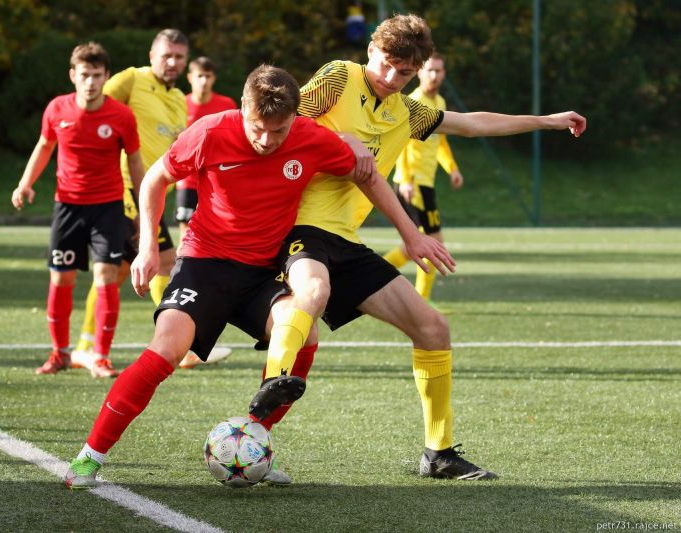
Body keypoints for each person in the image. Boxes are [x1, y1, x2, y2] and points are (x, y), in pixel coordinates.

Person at [248, 13, 586, 482]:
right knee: (312, 290)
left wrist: (547, 121)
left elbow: (470, 124)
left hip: (346, 239)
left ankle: (439, 453)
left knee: (432, 327)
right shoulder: (338, 77)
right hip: (296, 226)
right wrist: (338, 138)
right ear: (371, 51)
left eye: (404, 73)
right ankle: (273, 389)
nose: (392, 78)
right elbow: (279, 120)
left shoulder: (407, 112)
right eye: (387, 65)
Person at [63, 64, 370, 489]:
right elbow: (155, 179)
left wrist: (358, 148)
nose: (266, 140)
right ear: (243, 109)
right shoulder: (210, 131)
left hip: (262, 272)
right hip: (204, 265)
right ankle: (88, 458)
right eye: (258, 128)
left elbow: (363, 170)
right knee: (166, 349)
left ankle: (252, 441)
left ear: (295, 120)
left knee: (304, 334)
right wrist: (149, 247)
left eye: (278, 131)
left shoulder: (311, 138)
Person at [10, 42, 143, 377]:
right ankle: (60, 353)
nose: (90, 82)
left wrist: (143, 208)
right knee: (61, 278)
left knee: (106, 277)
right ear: (73, 75)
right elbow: (44, 146)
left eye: (97, 75)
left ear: (106, 76)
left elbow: (136, 162)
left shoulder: (121, 116)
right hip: (67, 206)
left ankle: (100, 357)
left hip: (109, 207)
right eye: (84, 75)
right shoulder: (57, 109)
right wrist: (25, 184)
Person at [70, 29, 191, 375]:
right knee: (155, 264)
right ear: (152, 53)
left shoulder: (179, 99)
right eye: (166, 55)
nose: (172, 62)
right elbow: (92, 106)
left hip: (153, 197)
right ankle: (178, 344)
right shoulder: (132, 80)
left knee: (146, 267)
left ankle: (85, 345)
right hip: (125, 192)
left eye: (179, 57)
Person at [383, 53, 464, 310]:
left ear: (444, 73)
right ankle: (422, 301)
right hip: (412, 184)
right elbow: (402, 144)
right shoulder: (413, 101)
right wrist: (405, 178)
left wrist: (452, 168)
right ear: (419, 72)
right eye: (429, 70)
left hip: (426, 184)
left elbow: (441, 142)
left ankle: (368, 277)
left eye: (438, 71)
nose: (434, 75)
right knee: (433, 243)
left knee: (414, 248)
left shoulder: (439, 101)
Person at [175, 56, 238, 370]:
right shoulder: (179, 103)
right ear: (190, 77)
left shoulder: (225, 103)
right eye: (199, 75)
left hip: (218, 184)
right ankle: (185, 334)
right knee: (190, 252)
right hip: (188, 182)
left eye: (208, 76)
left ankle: (189, 338)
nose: (203, 81)